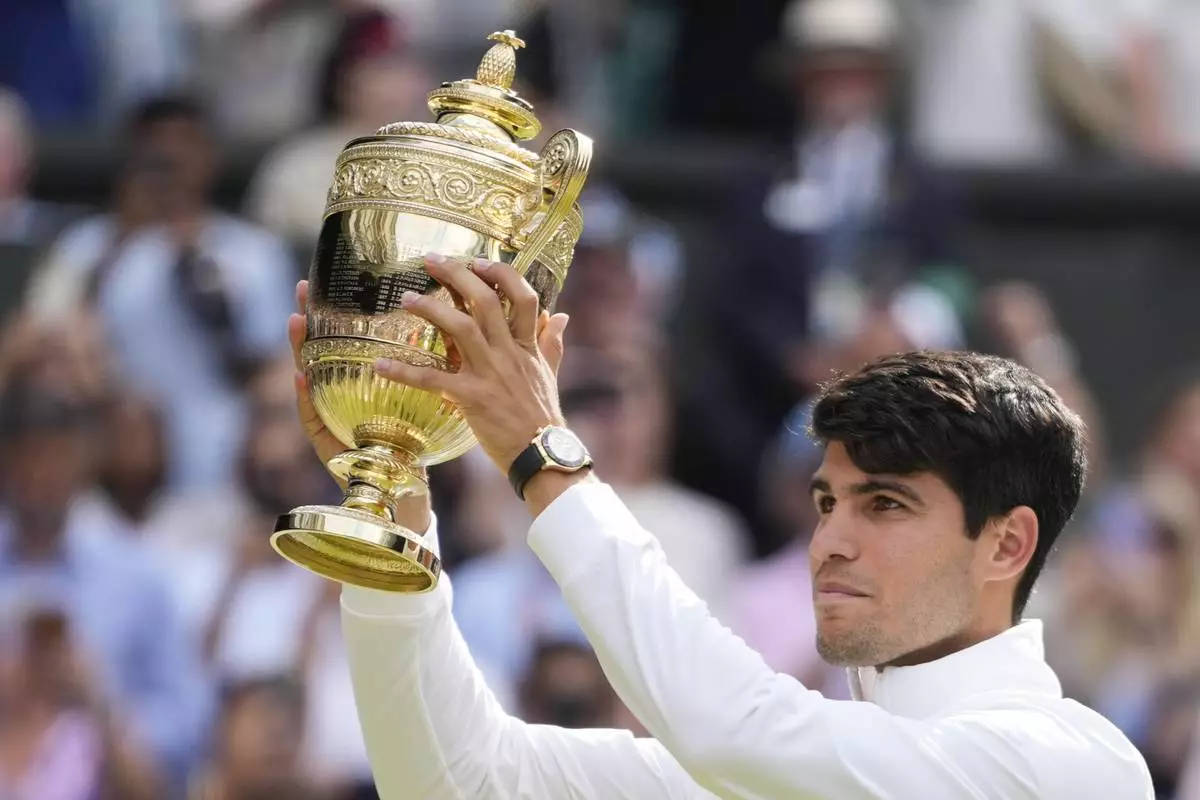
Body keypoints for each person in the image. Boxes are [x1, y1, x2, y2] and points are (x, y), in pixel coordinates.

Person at [288, 255, 1153, 798]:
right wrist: (394, 499)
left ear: (1007, 542)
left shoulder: (1071, 766)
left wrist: (541, 456)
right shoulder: (758, 765)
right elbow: (455, 779)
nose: (832, 541)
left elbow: (738, 731)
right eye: (826, 502)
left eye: (885, 504)